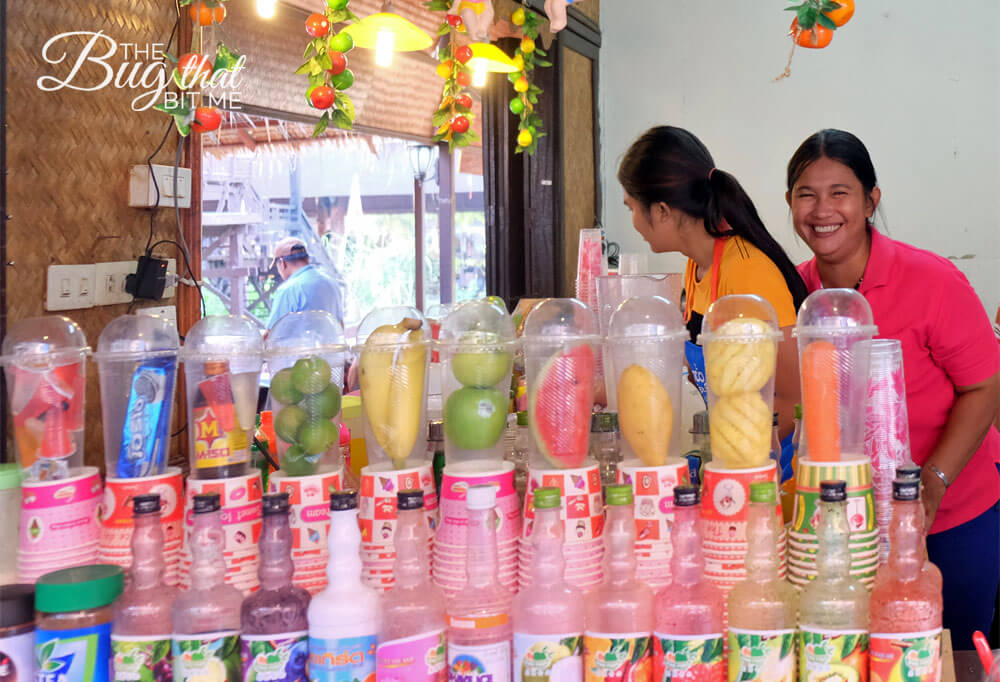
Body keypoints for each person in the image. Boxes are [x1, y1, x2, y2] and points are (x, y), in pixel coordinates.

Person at [786, 128, 1000, 648]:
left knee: (950, 654)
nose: (822, 210)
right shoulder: (796, 290)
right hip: (842, 534)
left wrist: (934, 481)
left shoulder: (932, 280)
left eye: (839, 192)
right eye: (806, 194)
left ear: (870, 201)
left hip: (952, 516)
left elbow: (986, 388)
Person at [617, 126, 808, 437]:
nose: (634, 221)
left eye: (632, 208)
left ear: (662, 210)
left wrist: (732, 453)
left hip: (774, 466)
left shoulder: (747, 272)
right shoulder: (697, 266)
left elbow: (795, 400)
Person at [266, 237, 344, 328]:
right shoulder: (332, 284)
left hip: (300, 342)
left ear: (282, 263)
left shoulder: (288, 290)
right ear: (307, 258)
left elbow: (272, 333)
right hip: (331, 342)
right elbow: (340, 325)